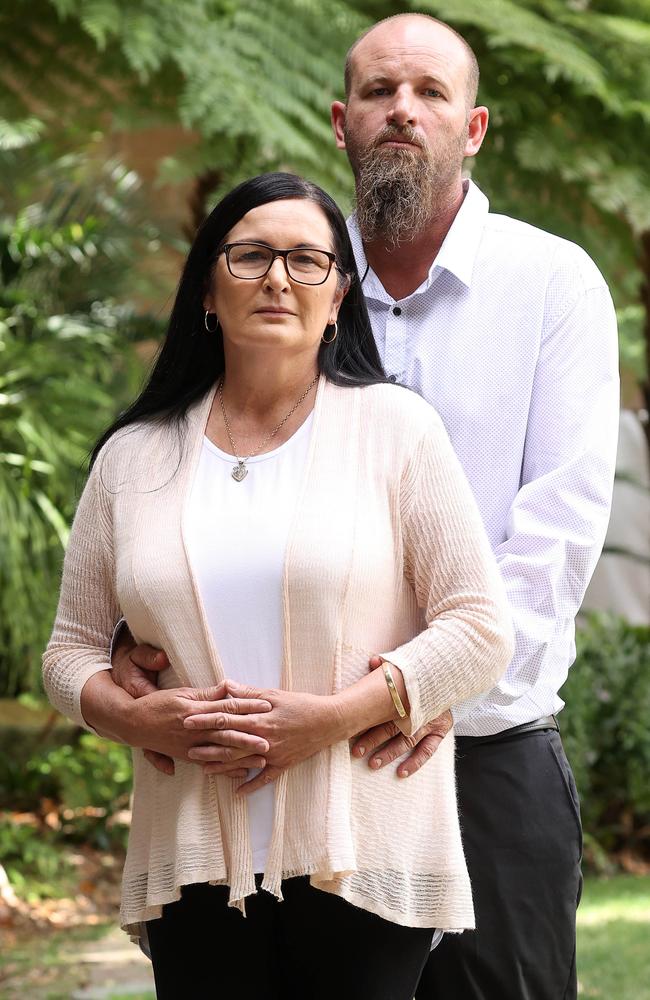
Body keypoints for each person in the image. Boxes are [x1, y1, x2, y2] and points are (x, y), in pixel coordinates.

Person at [112, 14, 620, 1000]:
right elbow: (199, 473)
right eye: (380, 93)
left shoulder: (550, 284)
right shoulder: (278, 276)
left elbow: (551, 545)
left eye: (429, 94)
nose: (402, 111)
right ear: (340, 122)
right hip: (282, 771)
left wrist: (415, 691)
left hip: (479, 760)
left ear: (472, 127)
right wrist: (144, 626)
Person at [43, 171, 513, 1000]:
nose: (277, 278)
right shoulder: (134, 456)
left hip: (360, 852)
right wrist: (133, 715)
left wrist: (334, 719)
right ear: (206, 293)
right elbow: (70, 650)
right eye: (252, 254)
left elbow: (479, 626)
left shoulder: (398, 432)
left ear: (338, 299)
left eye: (307, 261)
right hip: (190, 856)